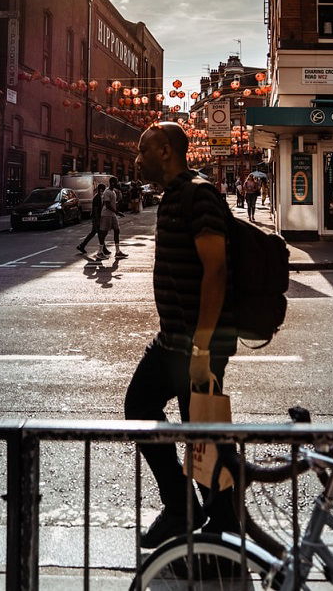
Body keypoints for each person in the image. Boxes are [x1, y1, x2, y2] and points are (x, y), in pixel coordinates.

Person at [125, 122, 238, 549]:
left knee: (203, 434)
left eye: (143, 150)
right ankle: (182, 508)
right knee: (142, 406)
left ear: (167, 151)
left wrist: (202, 346)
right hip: (172, 339)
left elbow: (217, 270)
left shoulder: (198, 193)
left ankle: (221, 531)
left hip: (196, 344)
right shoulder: (173, 195)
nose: (137, 158)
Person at [96, 176, 128, 260]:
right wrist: (117, 212)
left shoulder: (113, 191)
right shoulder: (107, 192)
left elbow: (113, 204)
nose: (118, 183)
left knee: (117, 230)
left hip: (112, 214)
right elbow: (107, 205)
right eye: (117, 182)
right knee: (104, 233)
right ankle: (99, 252)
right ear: (113, 183)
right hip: (106, 214)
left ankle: (118, 252)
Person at [76, 183, 108, 254]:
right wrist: (97, 220)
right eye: (103, 190)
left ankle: (82, 246)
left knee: (94, 233)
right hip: (96, 218)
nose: (103, 192)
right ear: (100, 189)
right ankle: (104, 249)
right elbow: (95, 210)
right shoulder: (97, 198)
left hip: (97, 218)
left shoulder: (99, 197)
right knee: (99, 234)